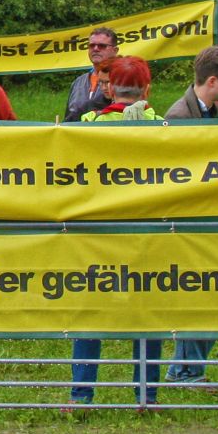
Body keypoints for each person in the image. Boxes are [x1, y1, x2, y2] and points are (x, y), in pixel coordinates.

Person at [69, 57, 166, 405]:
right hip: (146, 231)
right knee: (147, 312)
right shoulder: (163, 126)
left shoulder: (88, 123)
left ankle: (81, 395)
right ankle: (147, 395)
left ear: (110, 87)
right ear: (147, 89)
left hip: (98, 231)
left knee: (90, 310)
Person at [160, 46, 218, 380]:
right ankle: (185, 372)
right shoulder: (179, 117)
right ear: (212, 81)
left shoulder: (210, 114)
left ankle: (190, 369)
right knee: (198, 298)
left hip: (207, 221)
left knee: (209, 298)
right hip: (188, 224)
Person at [65, 27, 120, 121]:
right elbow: (68, 119)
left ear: (115, 50)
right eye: (91, 45)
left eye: (102, 46)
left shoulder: (124, 78)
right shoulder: (78, 82)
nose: (95, 49)